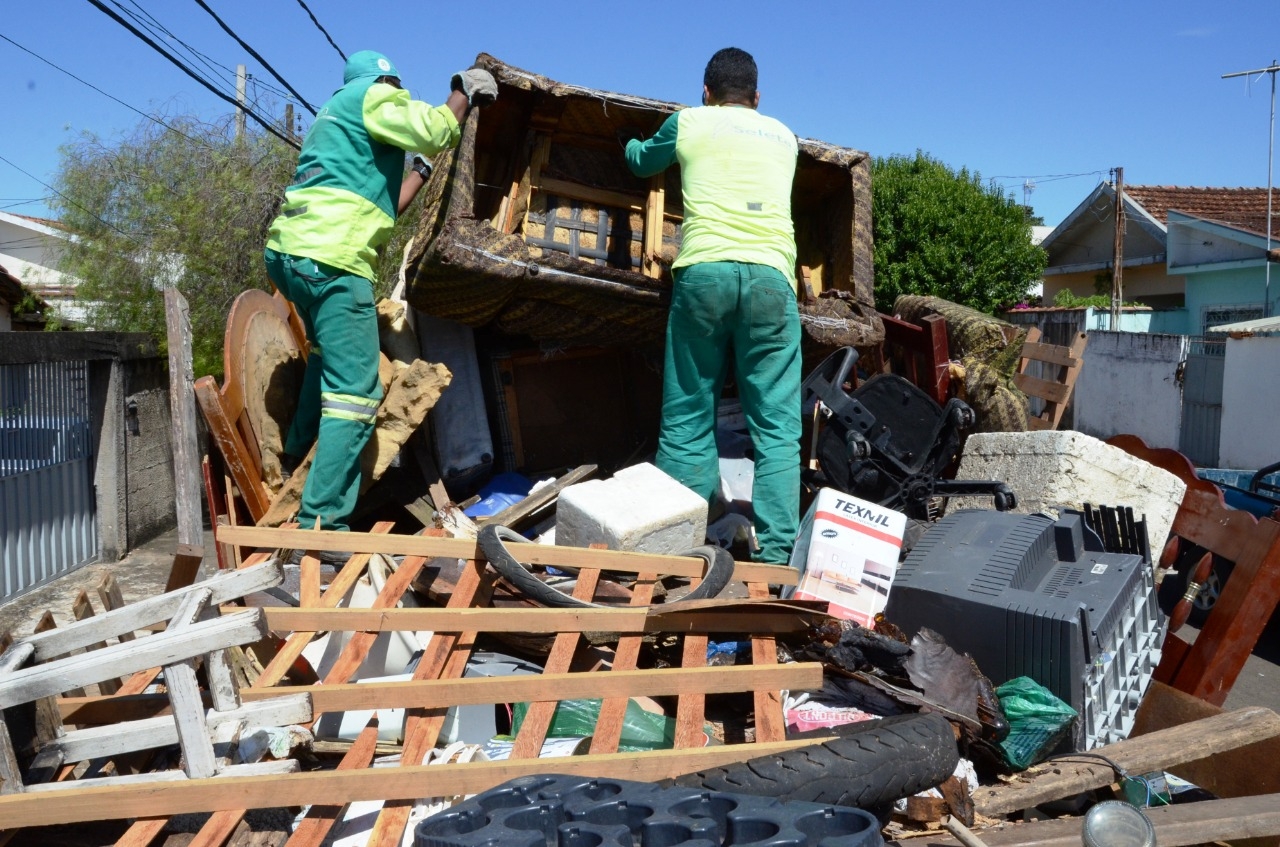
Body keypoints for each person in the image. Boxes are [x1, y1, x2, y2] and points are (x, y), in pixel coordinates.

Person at [264, 51, 497, 536]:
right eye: (394, 86)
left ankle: (296, 454)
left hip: (293, 258)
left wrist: (420, 172)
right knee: (355, 394)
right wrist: (464, 89)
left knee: (326, 356)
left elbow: (388, 206)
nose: (396, 94)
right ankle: (321, 522)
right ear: (383, 82)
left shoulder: (333, 119)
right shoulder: (371, 95)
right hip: (334, 263)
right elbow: (433, 129)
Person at [623, 47, 802, 564]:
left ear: (706, 93)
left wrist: (629, 141)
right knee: (778, 429)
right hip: (771, 280)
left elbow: (641, 162)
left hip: (704, 274)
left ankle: (682, 551)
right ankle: (775, 561)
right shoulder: (785, 136)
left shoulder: (688, 121)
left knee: (688, 413)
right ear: (757, 97)